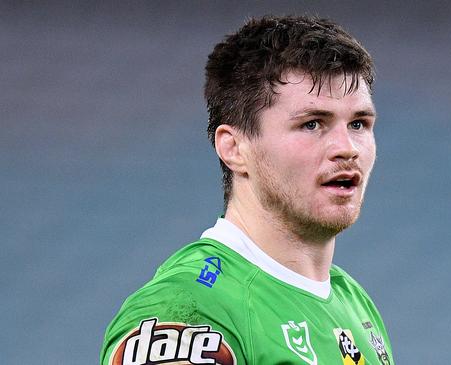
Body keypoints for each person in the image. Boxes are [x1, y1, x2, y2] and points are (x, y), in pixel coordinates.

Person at [101, 15, 393, 365]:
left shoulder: (352, 301)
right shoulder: (189, 310)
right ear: (234, 149)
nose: (347, 148)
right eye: (312, 124)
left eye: (358, 123)